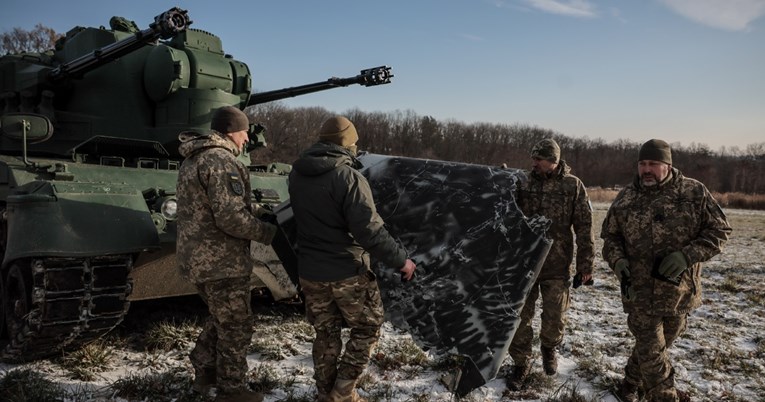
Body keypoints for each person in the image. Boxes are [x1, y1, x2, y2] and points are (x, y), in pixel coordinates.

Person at [288, 116, 416, 402]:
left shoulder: (297, 173)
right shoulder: (348, 177)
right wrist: (402, 261)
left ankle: (325, 392)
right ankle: (343, 392)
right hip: (347, 270)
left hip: (310, 270)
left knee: (325, 333)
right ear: (347, 143)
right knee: (367, 327)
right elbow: (370, 231)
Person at [602, 139, 731, 402]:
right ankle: (664, 396)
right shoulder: (626, 197)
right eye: (642, 164)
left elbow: (720, 231)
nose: (646, 169)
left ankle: (629, 383)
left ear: (668, 165)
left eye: (653, 164)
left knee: (655, 350)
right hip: (638, 293)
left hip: (678, 293)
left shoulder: (693, 193)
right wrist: (618, 262)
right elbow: (610, 238)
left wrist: (687, 256)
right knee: (653, 353)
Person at [176, 106, 277, 402]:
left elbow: (215, 206)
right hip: (222, 262)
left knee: (221, 317)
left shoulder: (194, 158)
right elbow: (231, 218)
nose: (247, 139)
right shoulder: (221, 161)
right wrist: (267, 233)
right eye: (245, 132)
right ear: (232, 130)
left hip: (198, 259)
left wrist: (259, 213)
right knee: (236, 325)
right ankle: (232, 390)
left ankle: (205, 370)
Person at [507, 138, 595, 390]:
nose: (533, 163)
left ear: (553, 161)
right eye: (533, 158)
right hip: (525, 265)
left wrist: (585, 265)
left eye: (539, 159)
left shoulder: (572, 186)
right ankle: (521, 363)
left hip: (557, 265)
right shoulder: (522, 182)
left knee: (555, 316)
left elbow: (584, 227)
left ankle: (549, 348)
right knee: (520, 319)